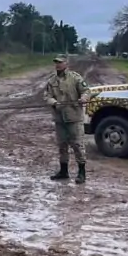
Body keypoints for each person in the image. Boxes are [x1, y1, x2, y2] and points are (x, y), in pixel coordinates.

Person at [44, 54, 90, 184]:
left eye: (60, 62)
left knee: (78, 145)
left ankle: (81, 172)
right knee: (62, 145)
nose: (57, 65)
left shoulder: (75, 78)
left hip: (74, 117)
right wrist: (53, 102)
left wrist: (84, 98)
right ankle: (63, 171)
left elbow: (86, 90)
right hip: (59, 118)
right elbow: (47, 96)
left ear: (66, 64)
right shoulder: (51, 81)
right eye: (56, 62)